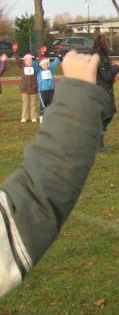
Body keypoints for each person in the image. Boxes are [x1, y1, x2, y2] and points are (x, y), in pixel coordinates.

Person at [0, 50, 107, 298]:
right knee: (32, 104)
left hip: (52, 93)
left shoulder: (50, 67)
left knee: (42, 105)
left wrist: (55, 57)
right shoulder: (35, 69)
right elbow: (34, 200)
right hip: (46, 93)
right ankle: (30, 116)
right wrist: (77, 96)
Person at [92, 33, 119, 152]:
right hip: (102, 90)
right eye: (107, 42)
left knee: (104, 115)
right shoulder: (100, 57)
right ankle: (98, 145)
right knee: (106, 115)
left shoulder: (95, 56)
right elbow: (107, 75)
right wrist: (116, 67)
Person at [12, 44, 39, 123]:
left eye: (30, 60)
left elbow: (38, 60)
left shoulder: (34, 67)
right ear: (24, 61)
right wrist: (15, 52)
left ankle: (33, 117)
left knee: (33, 104)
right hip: (24, 88)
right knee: (25, 104)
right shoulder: (22, 66)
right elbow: (17, 60)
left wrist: (39, 54)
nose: (29, 61)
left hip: (33, 88)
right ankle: (24, 117)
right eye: (27, 60)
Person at [35, 47, 61, 122]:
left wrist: (58, 56)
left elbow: (55, 63)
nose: (45, 65)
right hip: (43, 90)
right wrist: (41, 54)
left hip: (51, 89)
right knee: (43, 103)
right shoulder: (38, 71)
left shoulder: (51, 69)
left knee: (51, 103)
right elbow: (35, 64)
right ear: (41, 65)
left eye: (46, 64)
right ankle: (41, 117)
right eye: (43, 64)